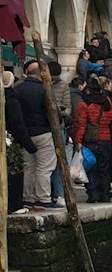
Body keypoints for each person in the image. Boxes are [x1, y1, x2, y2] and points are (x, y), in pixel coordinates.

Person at [11, 60, 57, 211]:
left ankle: (28, 198)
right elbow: (51, 112)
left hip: (25, 134)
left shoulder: (17, 89)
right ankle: (43, 198)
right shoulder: (45, 90)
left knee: (28, 167)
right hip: (43, 132)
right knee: (44, 167)